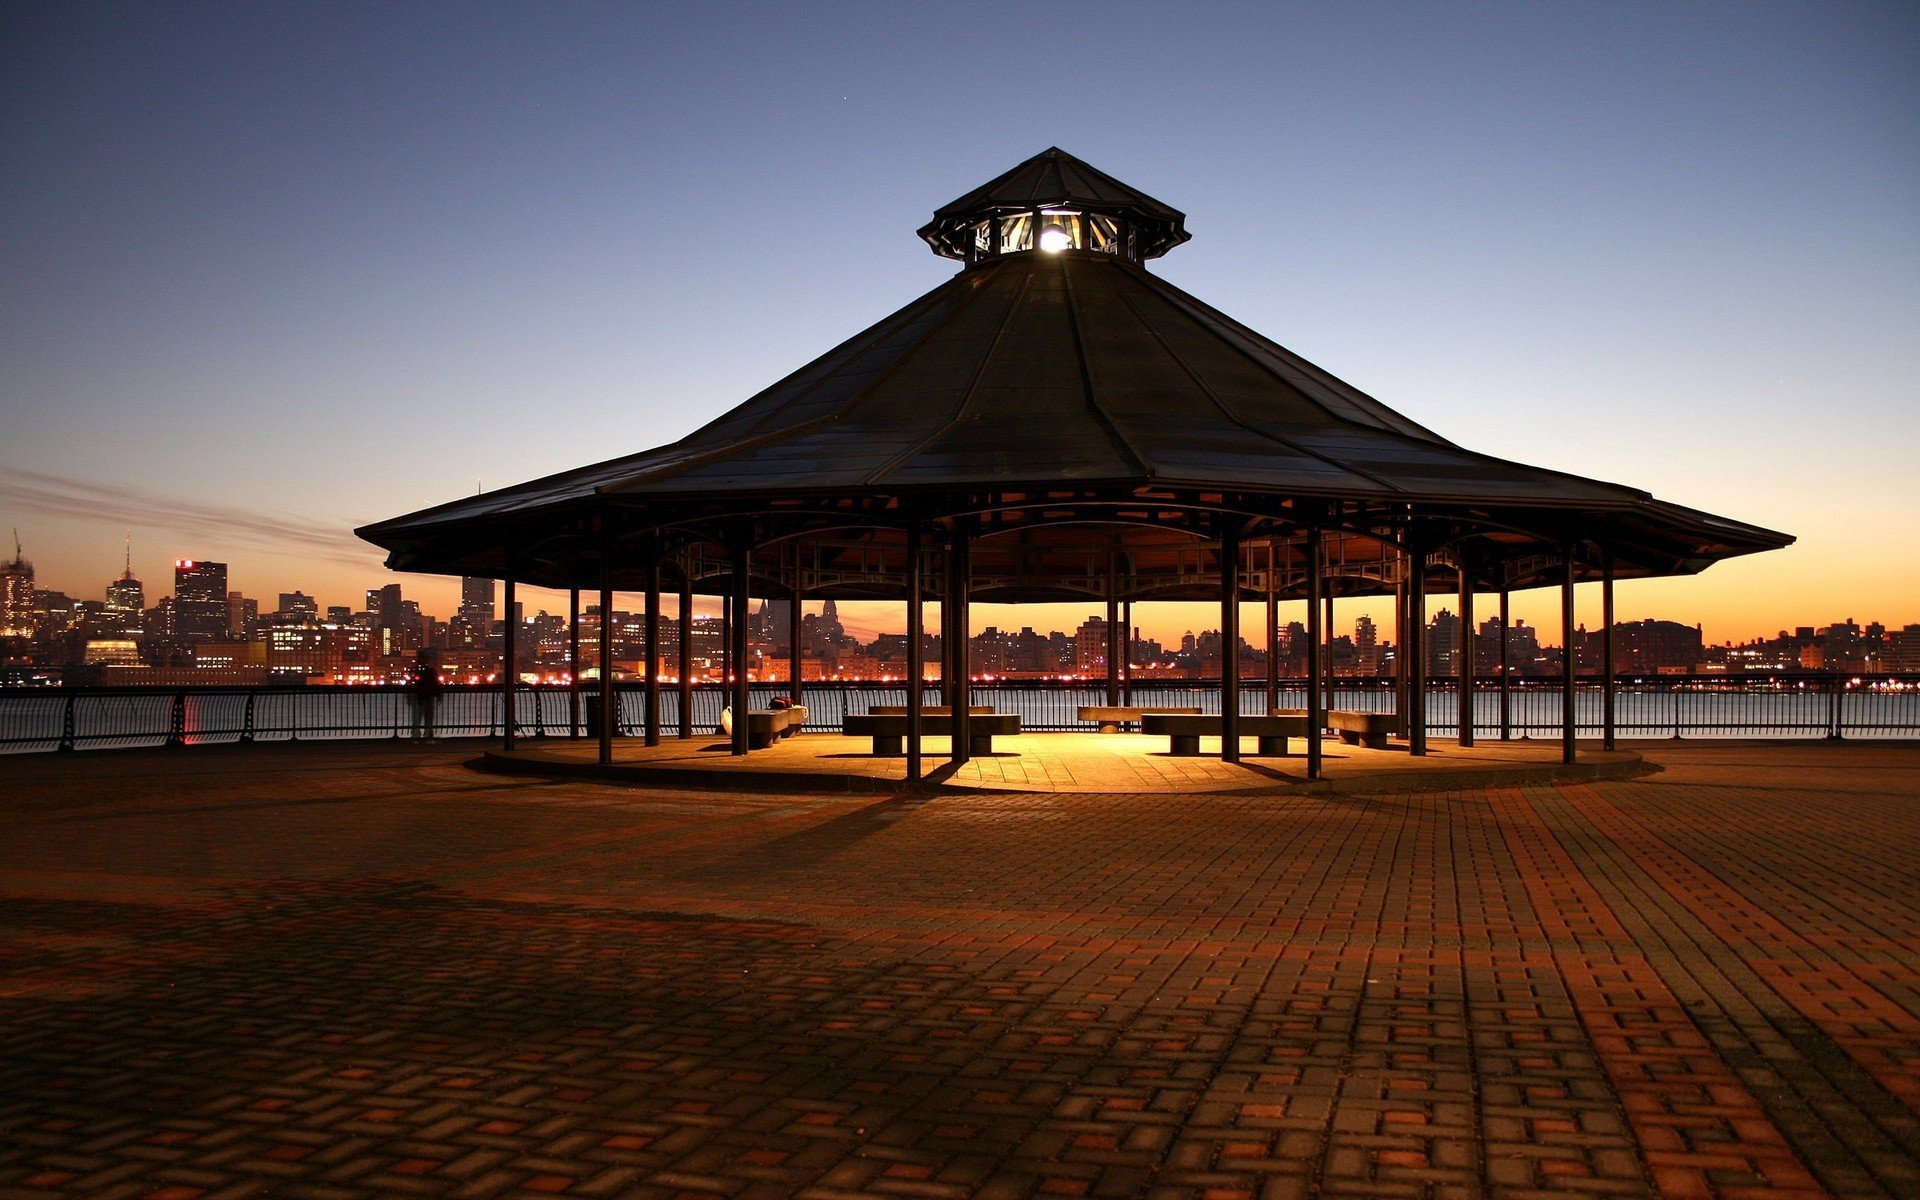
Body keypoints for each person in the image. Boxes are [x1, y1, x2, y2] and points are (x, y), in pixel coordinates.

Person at [410, 650, 443, 740]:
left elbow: (413, 682)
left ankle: (417, 734)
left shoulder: (416, 670)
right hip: (428, 695)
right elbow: (436, 683)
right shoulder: (431, 671)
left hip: (419, 696)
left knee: (417, 716)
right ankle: (428, 734)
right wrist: (438, 694)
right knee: (428, 716)